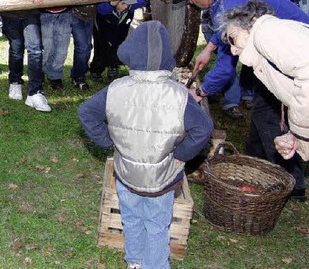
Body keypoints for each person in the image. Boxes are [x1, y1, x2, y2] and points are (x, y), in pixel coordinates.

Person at [78, 21, 213, 269]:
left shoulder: (115, 89)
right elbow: (203, 129)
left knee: (131, 218)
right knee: (157, 225)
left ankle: (135, 262)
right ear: (166, 59)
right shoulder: (180, 95)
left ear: (129, 53)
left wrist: (109, 141)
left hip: (127, 174)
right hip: (162, 179)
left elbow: (86, 113)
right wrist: (182, 154)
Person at [172, 0, 309, 200]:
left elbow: (226, 67)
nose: (190, 4)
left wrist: (202, 91)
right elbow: (232, 19)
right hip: (297, 33)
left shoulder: (237, 18)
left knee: (269, 114)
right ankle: (253, 161)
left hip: (286, 56)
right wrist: (211, 46)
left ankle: (294, 183)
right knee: (261, 109)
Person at [219, 0, 309, 169]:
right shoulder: (270, 39)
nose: (232, 50)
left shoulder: (265, 32)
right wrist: (296, 137)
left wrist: (300, 132)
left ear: (252, 22)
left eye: (232, 38)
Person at [92, 0, 147, 81]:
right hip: (102, 34)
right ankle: (96, 71)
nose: (126, 6)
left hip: (120, 34)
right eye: (123, 3)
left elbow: (142, 1)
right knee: (100, 52)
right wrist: (113, 1)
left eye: (128, 3)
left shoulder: (129, 7)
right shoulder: (106, 6)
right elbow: (101, 10)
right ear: (115, 0)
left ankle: (113, 67)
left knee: (117, 50)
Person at [87, 0, 116, 80]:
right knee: (85, 45)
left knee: (100, 41)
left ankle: (100, 68)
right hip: (82, 15)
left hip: (96, 15)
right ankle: (87, 71)